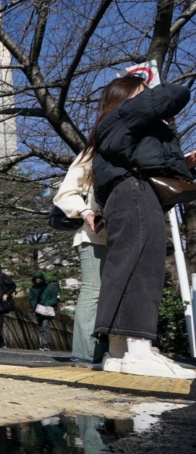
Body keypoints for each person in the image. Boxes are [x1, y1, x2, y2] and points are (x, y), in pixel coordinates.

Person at [91, 76, 196, 379]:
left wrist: (183, 166)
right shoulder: (126, 113)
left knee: (124, 266)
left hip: (124, 194)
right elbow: (175, 93)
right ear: (128, 97)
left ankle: (118, 352)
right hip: (136, 192)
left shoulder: (115, 126)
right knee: (143, 265)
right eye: (143, 94)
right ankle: (139, 351)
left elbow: (144, 157)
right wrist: (153, 100)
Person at [53, 150, 107, 366]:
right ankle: (86, 352)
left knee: (106, 292)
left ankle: (101, 349)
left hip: (120, 234)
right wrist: (85, 211)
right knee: (94, 289)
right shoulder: (93, 152)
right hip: (92, 232)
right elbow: (65, 193)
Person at [28, 272, 59, 351]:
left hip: (47, 310)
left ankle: (46, 344)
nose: (38, 280)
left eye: (39, 278)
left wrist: (47, 304)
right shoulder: (33, 289)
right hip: (38, 310)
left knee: (45, 325)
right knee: (41, 326)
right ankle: (44, 344)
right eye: (36, 279)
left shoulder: (50, 287)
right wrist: (35, 306)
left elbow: (56, 298)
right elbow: (31, 299)